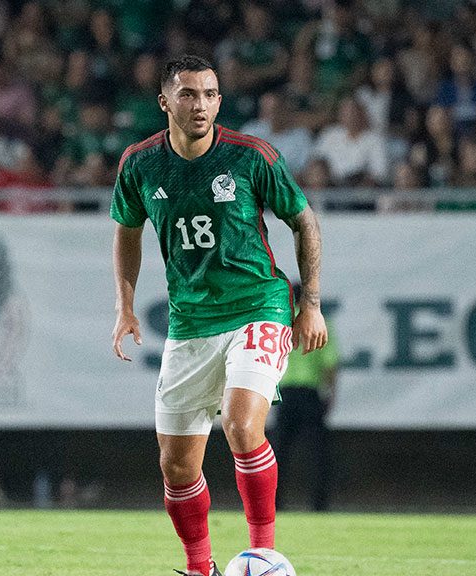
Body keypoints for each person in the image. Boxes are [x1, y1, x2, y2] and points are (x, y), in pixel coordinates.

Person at [110, 55, 326, 576]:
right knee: (176, 464)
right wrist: (125, 306)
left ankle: (263, 556)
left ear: (219, 101)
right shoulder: (139, 164)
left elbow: (303, 220)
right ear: (165, 102)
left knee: (240, 421)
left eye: (209, 94)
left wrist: (310, 303)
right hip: (190, 323)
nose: (200, 104)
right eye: (187, 94)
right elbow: (127, 229)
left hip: (259, 305)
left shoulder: (252, 157)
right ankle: (200, 569)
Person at [271, 284, 339, 512]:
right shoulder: (320, 323)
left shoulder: (279, 322)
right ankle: (319, 505)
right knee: (318, 455)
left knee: (277, 455)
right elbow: (330, 366)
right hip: (310, 395)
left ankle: (273, 504)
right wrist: (330, 395)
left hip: (285, 394)